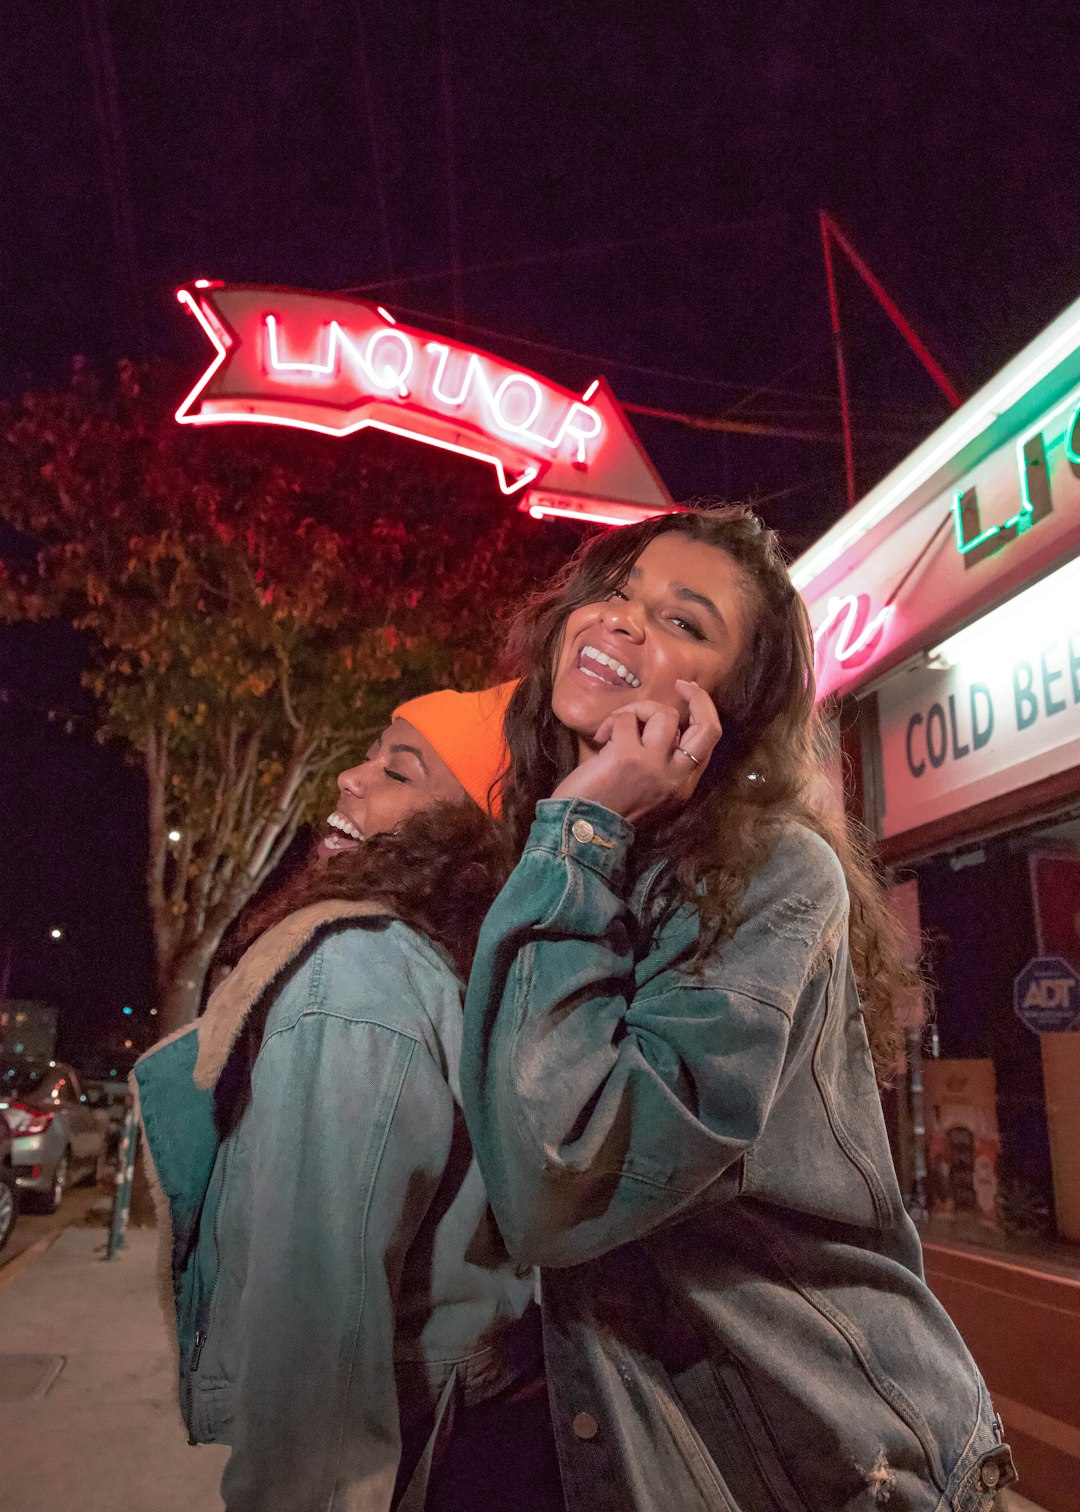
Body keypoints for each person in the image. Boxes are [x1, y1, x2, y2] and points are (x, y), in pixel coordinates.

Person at [460, 508, 1017, 1511]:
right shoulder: (588, 857)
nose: (622, 623)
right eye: (619, 593)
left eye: (684, 622)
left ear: (730, 705)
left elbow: (560, 1177)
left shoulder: (769, 871)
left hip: (806, 1448)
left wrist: (582, 827)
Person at [134, 683, 564, 1512]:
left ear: (468, 836)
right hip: (489, 1433)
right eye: (369, 754)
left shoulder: (357, 974)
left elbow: (316, 1362)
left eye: (398, 770)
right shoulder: (472, 971)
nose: (348, 778)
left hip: (420, 1457)